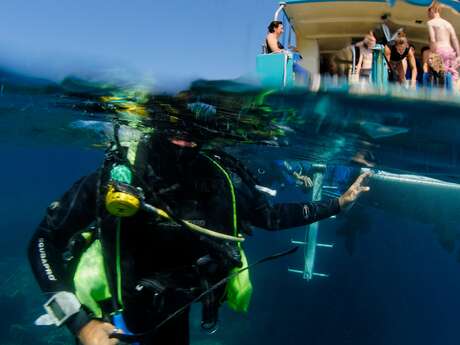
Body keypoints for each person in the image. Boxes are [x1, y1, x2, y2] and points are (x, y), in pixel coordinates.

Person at [28, 132, 371, 345]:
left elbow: (271, 217)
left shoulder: (220, 181)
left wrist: (337, 205)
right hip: (111, 321)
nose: (184, 137)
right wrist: (80, 325)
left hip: (175, 316)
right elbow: (44, 241)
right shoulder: (121, 180)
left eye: (196, 124)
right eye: (174, 124)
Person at [427, 1, 460, 81]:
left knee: (437, 77)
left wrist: (432, 54)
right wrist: (459, 55)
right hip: (450, 52)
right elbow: (454, 39)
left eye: (428, 13)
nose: (428, 16)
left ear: (432, 10)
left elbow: (432, 39)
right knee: (449, 76)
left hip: (439, 51)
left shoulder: (431, 22)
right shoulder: (448, 24)